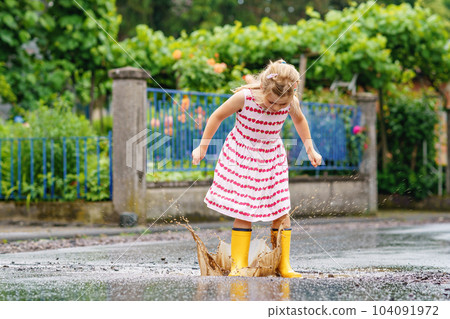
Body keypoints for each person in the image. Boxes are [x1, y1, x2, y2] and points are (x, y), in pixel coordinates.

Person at [191, 59, 322, 277]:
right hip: (242, 153)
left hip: (272, 156)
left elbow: (300, 121)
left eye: (282, 105)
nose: (277, 108)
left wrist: (310, 149)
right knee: (244, 209)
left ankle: (283, 264)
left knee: (281, 209)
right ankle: (238, 265)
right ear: (263, 89)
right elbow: (217, 116)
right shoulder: (245, 97)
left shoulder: (291, 101)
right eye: (272, 102)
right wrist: (202, 147)